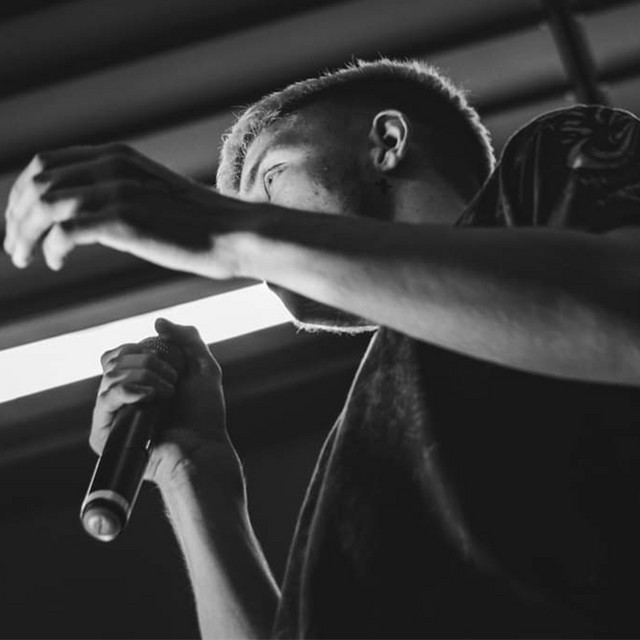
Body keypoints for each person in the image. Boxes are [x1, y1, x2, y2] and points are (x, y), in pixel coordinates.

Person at [5, 58, 640, 638]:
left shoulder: (548, 160)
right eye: (244, 211)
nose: (262, 242)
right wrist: (194, 472)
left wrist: (231, 231)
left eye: (272, 177)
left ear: (387, 141)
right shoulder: (366, 445)